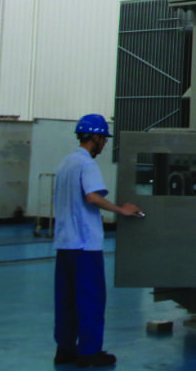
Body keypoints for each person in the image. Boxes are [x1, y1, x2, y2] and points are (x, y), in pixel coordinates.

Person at [53, 114, 143, 368]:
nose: (104, 144)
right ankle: (89, 352)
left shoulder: (66, 163)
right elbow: (92, 197)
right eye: (103, 139)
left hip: (64, 242)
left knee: (66, 299)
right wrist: (121, 210)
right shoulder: (86, 164)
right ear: (94, 137)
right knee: (90, 298)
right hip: (85, 245)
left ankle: (65, 350)